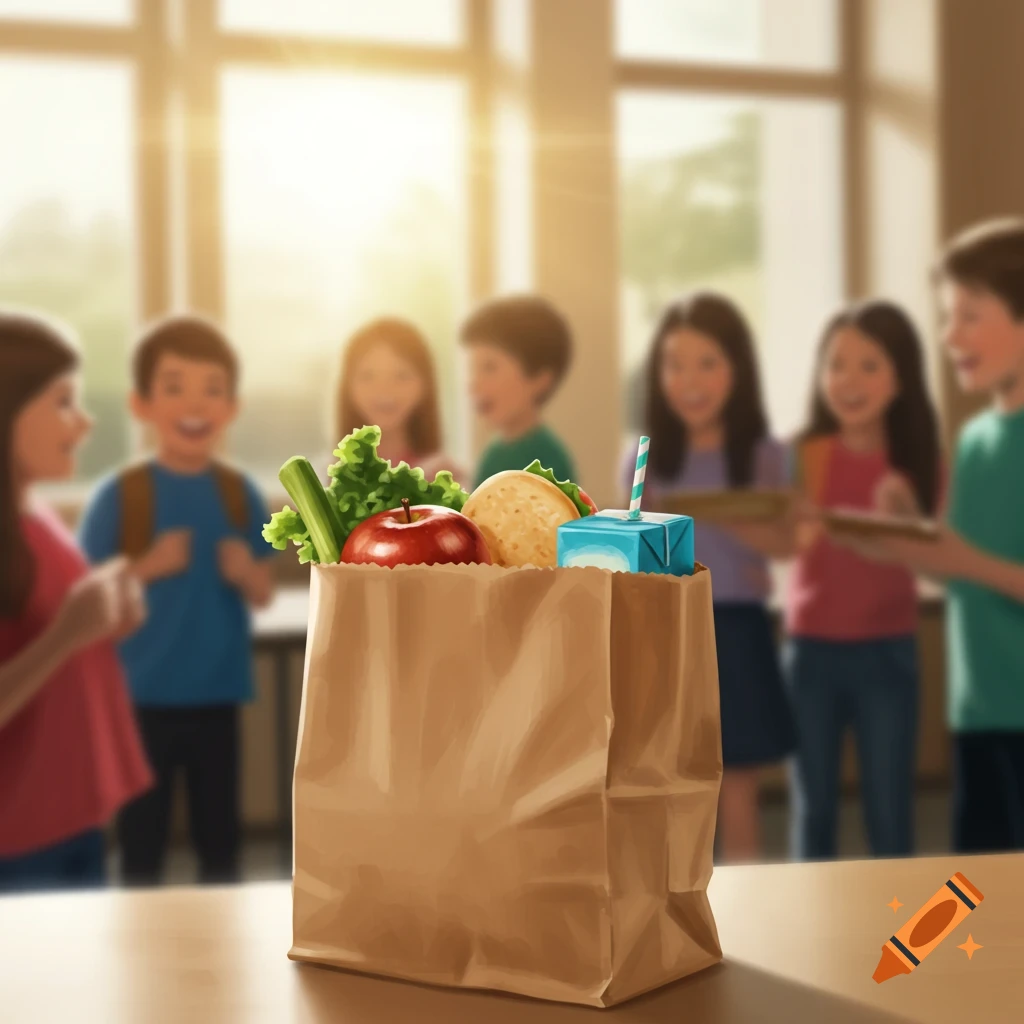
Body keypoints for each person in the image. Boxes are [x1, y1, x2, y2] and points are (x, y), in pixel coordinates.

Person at [832, 220, 1024, 853]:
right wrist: (899, 539)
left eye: (969, 316)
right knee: (986, 900)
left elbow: (978, 564)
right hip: (978, 712)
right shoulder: (974, 441)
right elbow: (962, 573)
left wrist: (957, 554)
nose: (949, 337)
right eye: (948, 317)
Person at [79, 315, 275, 886]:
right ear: (141, 404)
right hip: (140, 701)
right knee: (142, 843)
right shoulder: (121, 496)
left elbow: (261, 594)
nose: (195, 404)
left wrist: (246, 575)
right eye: (174, 387)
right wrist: (147, 568)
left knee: (222, 843)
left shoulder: (238, 493)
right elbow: (87, 602)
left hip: (218, 695)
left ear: (231, 408)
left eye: (212, 389)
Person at [624, 292, 795, 863]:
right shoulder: (645, 458)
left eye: (708, 363)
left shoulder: (765, 454)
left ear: (737, 370)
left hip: (738, 628)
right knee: (668, 776)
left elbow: (787, 542)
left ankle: (749, 904)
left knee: (738, 781)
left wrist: (726, 511)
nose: (690, 380)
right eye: (675, 364)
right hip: (665, 628)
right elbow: (631, 556)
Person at [0, 310, 151, 892]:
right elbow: (53, 638)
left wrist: (105, 624)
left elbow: (49, 635)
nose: (84, 422)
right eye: (62, 402)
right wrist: (67, 633)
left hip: (73, 824)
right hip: (16, 844)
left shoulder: (35, 516)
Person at [788, 300, 942, 861]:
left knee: (889, 811)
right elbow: (784, 545)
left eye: (869, 366)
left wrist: (901, 520)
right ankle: (811, 940)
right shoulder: (805, 456)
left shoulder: (920, 459)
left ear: (901, 377)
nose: (848, 381)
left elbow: (938, 559)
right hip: (811, 654)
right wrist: (792, 532)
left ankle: (898, 944)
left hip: (888, 652)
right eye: (836, 364)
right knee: (815, 811)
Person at [462, 295, 577, 486]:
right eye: (472, 369)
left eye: (489, 367)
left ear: (539, 379)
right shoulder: (493, 453)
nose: (473, 383)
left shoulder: (548, 460)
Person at [336, 317, 464, 483]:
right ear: (347, 386)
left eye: (402, 376)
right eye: (367, 376)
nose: (384, 389)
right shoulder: (324, 479)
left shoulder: (446, 475)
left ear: (425, 385)